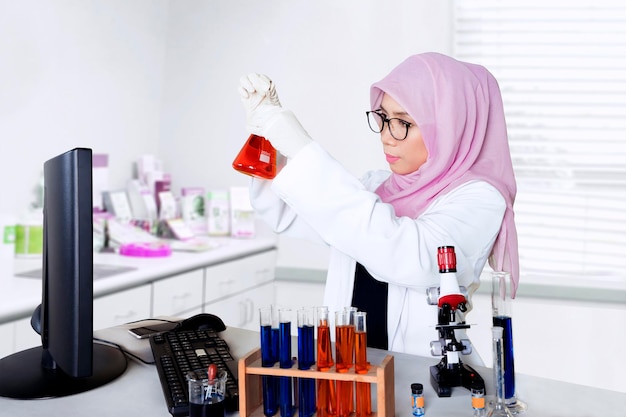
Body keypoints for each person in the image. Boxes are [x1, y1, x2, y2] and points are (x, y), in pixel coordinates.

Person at [237, 52, 519, 364]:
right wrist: (270, 140)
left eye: (403, 122)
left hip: (424, 381)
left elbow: (408, 254)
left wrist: (303, 148)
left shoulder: (479, 198)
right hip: (347, 373)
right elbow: (289, 213)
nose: (386, 136)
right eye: (383, 117)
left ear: (452, 126)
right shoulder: (376, 187)